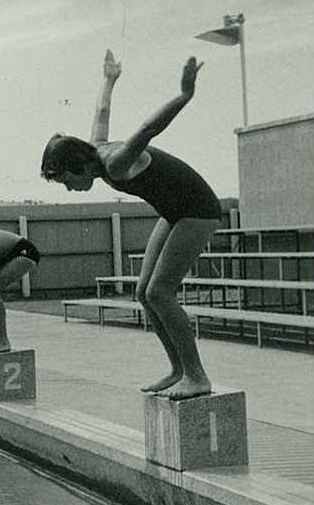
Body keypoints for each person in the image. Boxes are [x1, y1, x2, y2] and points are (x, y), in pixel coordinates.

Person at [40, 50, 222, 401]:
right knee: (143, 292)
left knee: (159, 293)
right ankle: (178, 370)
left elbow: (148, 129)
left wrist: (185, 95)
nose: (70, 189)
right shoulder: (94, 151)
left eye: (66, 181)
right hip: (175, 212)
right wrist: (109, 79)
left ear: (78, 167)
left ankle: (197, 376)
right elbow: (102, 111)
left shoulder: (116, 162)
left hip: (199, 210)